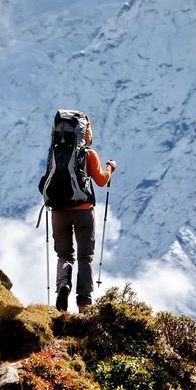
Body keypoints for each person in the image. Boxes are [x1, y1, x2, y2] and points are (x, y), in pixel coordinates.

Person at [52, 116, 116, 312]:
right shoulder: (89, 155)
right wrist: (110, 167)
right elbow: (101, 181)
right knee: (85, 257)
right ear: (85, 134)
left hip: (59, 211)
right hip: (84, 212)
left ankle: (63, 284)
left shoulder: (55, 152)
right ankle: (84, 304)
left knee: (64, 255)